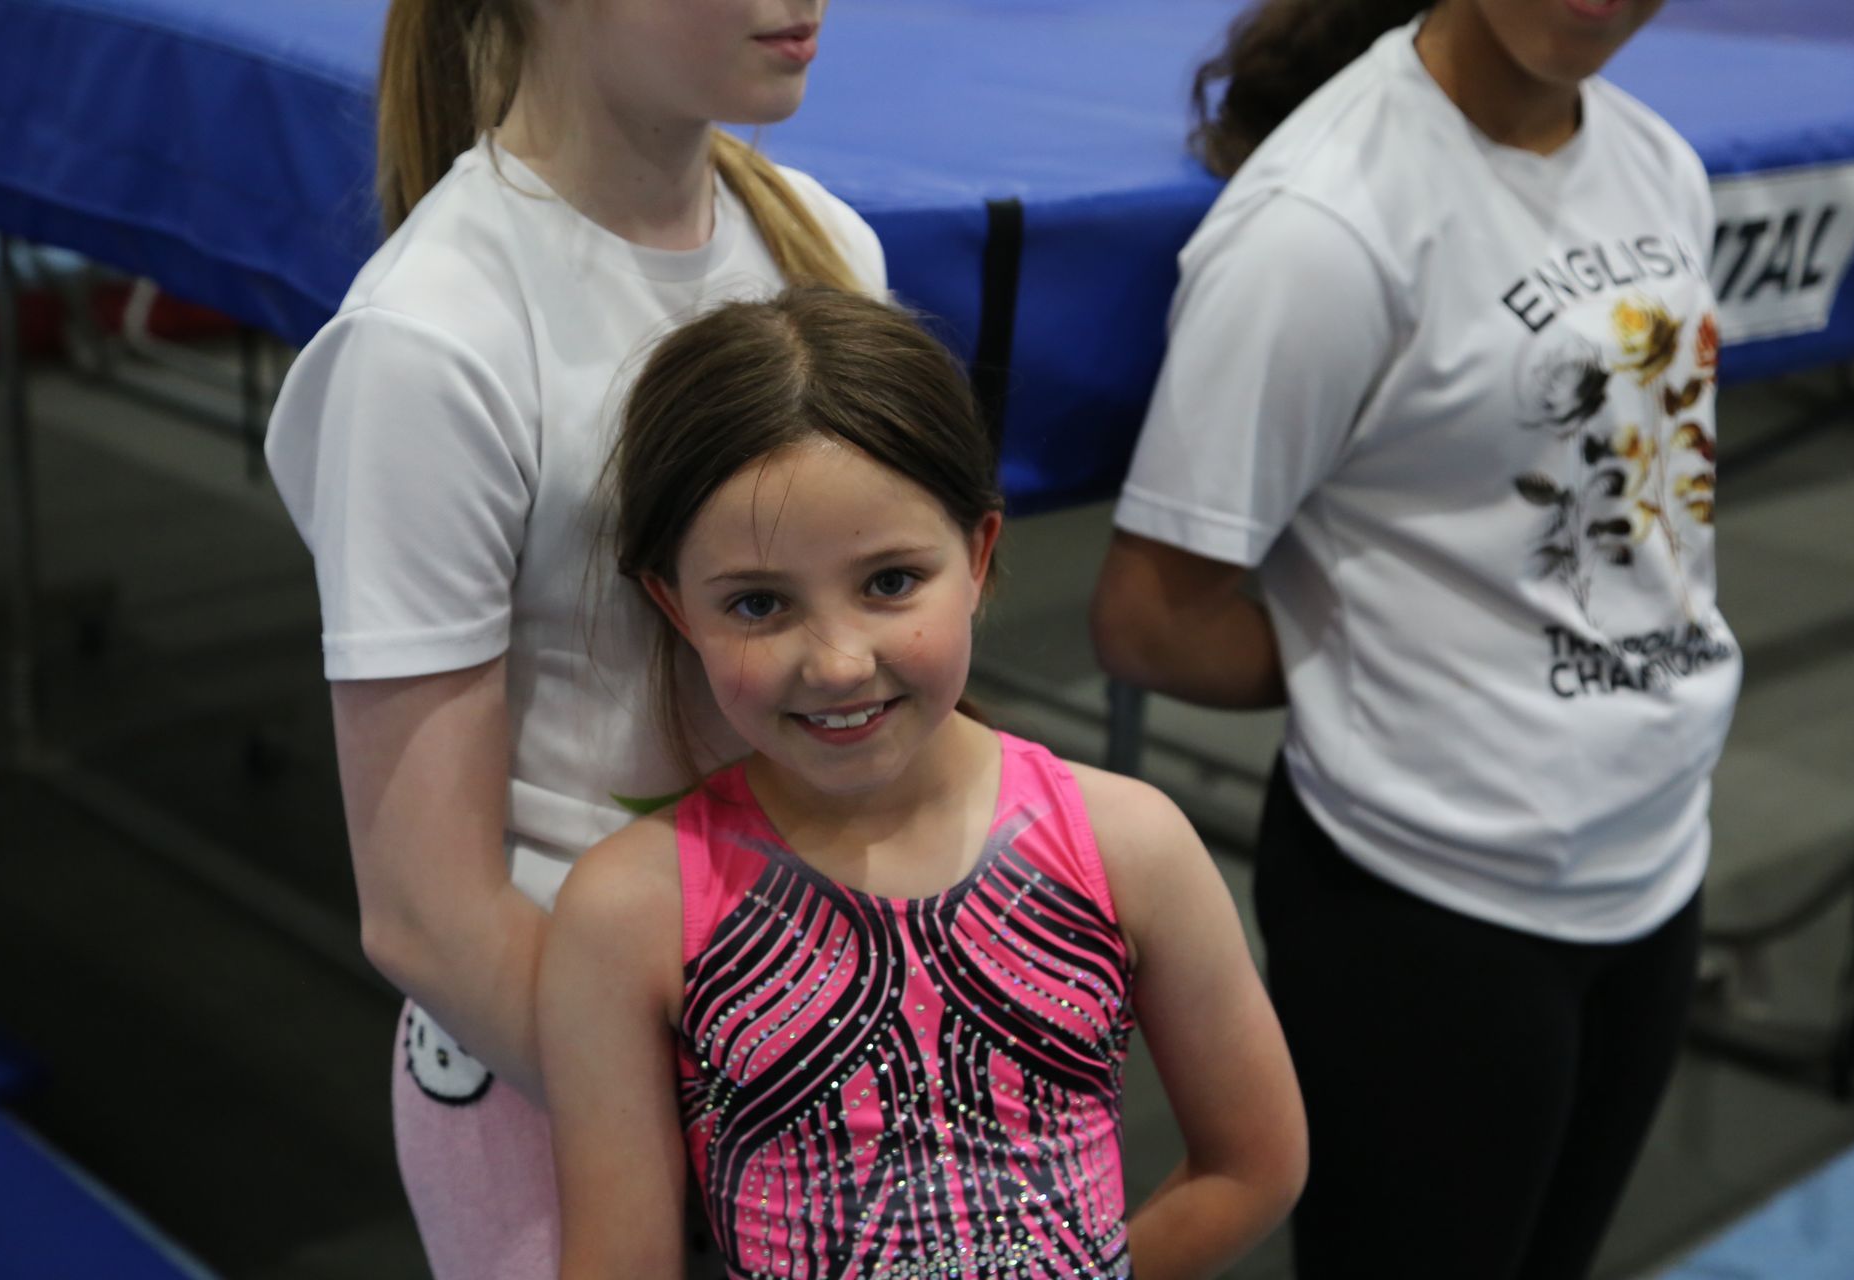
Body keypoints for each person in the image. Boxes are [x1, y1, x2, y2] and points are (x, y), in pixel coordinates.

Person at [1092, 1, 1739, 1277]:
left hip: (1653, 851)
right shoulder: (1323, 227)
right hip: (1430, 902)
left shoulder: (1658, 159)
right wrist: (1392, 660)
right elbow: (1151, 620)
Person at [263, 2, 886, 1275]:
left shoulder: (824, 248)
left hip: (800, 1040)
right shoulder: (432, 342)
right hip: (560, 1083)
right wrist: (726, 1136)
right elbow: (430, 915)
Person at [536, 286, 1308, 1279]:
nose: (839, 660)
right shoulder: (629, 908)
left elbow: (1253, 1162)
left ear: (979, 556)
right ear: (675, 606)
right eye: (760, 602)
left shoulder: (1131, 843)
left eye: (890, 581)